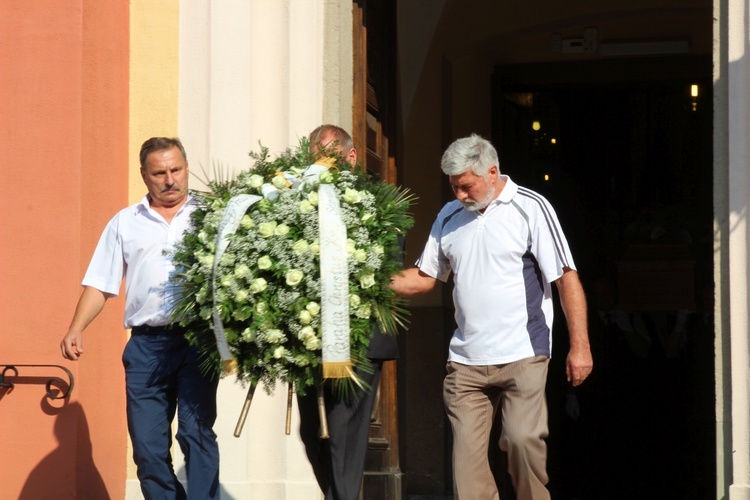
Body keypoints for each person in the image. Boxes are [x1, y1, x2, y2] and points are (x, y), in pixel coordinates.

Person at [390, 134, 593, 500]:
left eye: (466, 186)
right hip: (465, 363)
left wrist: (580, 347)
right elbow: (423, 278)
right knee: (467, 474)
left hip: (523, 353)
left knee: (521, 442)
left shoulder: (531, 207)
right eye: (454, 187)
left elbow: (566, 278)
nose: (459, 196)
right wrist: (366, 281)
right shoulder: (449, 216)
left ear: (492, 172)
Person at [59, 137, 220, 499]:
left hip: (198, 341)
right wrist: (76, 328)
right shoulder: (125, 222)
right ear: (145, 176)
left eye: (176, 170)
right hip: (147, 347)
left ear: (186, 167)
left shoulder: (211, 215)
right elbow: (100, 283)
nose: (170, 180)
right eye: (159, 173)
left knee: (196, 434)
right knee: (147, 449)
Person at [296, 124, 399, 500]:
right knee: (313, 434)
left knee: (343, 435)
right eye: (315, 159)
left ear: (351, 157)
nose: (320, 167)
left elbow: (389, 264)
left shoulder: (379, 201)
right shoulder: (296, 200)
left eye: (328, 158)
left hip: (359, 337)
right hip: (307, 339)